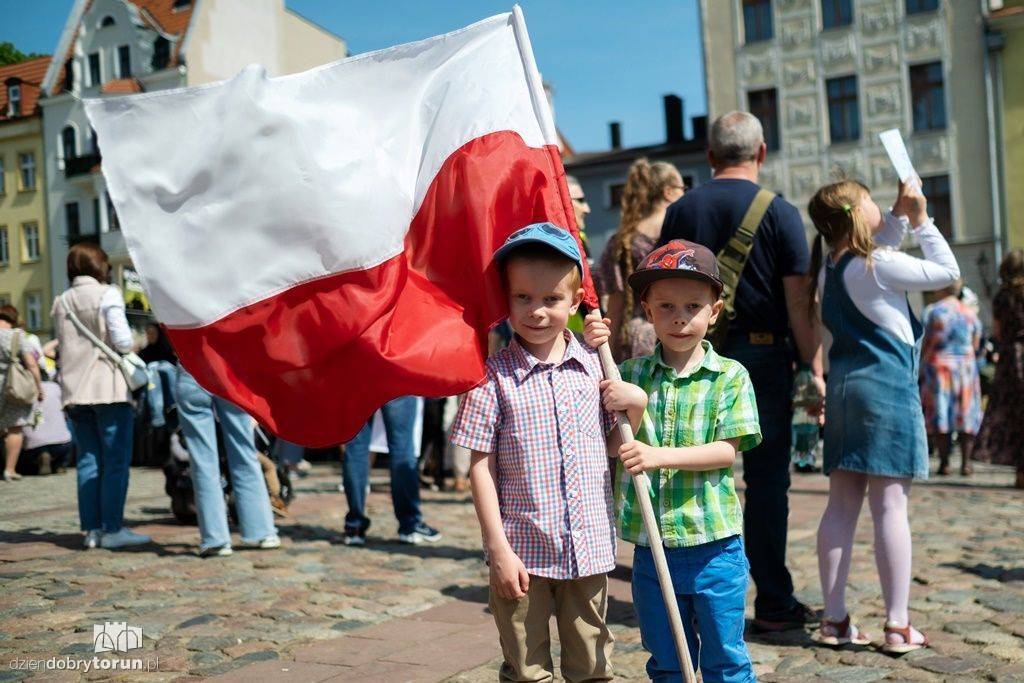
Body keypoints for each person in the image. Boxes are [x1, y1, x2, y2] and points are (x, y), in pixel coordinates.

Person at [659, 111, 824, 631]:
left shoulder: (681, 208)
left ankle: (683, 596)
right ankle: (773, 602)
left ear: (709, 157)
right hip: (764, 358)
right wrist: (812, 365)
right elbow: (799, 302)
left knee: (689, 470)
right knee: (768, 482)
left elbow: (663, 287)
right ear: (762, 152)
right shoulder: (780, 212)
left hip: (693, 356)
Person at [585, 240, 762, 682]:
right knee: (666, 659)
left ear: (714, 311)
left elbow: (726, 450)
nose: (679, 317)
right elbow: (610, 445)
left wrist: (660, 456)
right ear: (646, 308)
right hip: (652, 544)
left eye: (692, 306)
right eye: (665, 306)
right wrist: (636, 407)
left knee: (726, 658)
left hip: (714, 546)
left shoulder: (730, 376)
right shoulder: (627, 373)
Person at [450, 223, 617, 681]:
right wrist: (497, 548)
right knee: (526, 667)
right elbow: (480, 467)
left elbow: (615, 444)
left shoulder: (594, 369)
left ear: (577, 301)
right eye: (522, 298)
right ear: (506, 299)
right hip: (521, 553)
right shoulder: (491, 378)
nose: (537, 311)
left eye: (551, 299)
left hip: (589, 549)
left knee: (593, 665)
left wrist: (633, 403)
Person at [807, 178, 958, 652]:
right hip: (887, 390)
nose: (878, 206)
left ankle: (833, 621)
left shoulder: (833, 267)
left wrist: (893, 211)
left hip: (845, 388)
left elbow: (879, 247)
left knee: (841, 506)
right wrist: (922, 218)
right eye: (870, 199)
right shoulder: (878, 265)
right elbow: (946, 271)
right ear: (856, 214)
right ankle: (897, 625)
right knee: (891, 506)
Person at [53, 243, 150, 549]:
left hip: (75, 389)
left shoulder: (62, 301)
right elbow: (121, 341)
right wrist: (136, 342)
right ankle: (113, 528)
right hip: (107, 386)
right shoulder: (108, 293)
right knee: (116, 460)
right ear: (100, 267)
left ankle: (92, 530)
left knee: (88, 460)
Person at [175, 365, 280, 557]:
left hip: (190, 368)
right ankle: (262, 531)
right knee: (244, 453)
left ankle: (216, 538)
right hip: (228, 369)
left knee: (203, 460)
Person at [597, 158, 685, 362]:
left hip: (635, 339)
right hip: (679, 334)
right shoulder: (684, 232)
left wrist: (606, 360)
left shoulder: (622, 240)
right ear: (669, 191)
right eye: (683, 188)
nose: (685, 194)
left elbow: (615, 306)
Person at [341, 396, 442, 545]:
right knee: (402, 445)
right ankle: (409, 524)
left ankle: (355, 526)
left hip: (358, 377)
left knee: (356, 446)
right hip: (397, 377)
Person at [919, 281, 983, 476]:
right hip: (965, 369)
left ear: (941, 287)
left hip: (939, 368)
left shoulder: (932, 311)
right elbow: (976, 344)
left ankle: (944, 462)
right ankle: (966, 462)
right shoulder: (970, 313)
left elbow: (925, 340)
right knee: (966, 414)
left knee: (941, 415)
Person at [975, 248, 1024, 489]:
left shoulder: (1002, 297)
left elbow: (996, 331)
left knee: (1013, 414)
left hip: (1009, 359)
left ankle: (1020, 471)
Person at [0, 305, 44, 481]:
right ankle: (9, 469)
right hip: (12, 385)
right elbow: (32, 364)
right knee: (14, 427)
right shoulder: (17, 336)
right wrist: (39, 387)